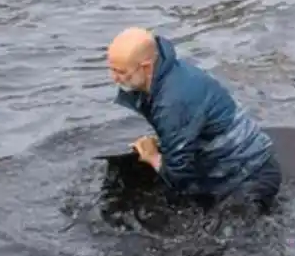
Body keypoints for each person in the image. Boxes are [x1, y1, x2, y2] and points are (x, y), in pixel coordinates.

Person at [107, 27, 281, 211]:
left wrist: (153, 157)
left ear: (147, 67)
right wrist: (165, 141)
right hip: (246, 164)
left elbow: (179, 175)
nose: (115, 78)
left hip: (250, 177)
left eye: (121, 72)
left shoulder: (173, 102)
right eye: (111, 70)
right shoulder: (169, 70)